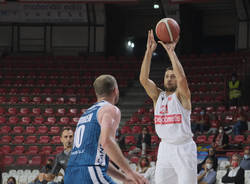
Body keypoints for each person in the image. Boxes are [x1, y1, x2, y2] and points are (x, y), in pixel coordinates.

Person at [64, 75, 148, 184]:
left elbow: (99, 159)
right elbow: (107, 142)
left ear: (96, 93)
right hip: (89, 172)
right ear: (115, 90)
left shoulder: (85, 114)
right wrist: (130, 172)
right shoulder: (110, 109)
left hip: (71, 174)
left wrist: (124, 178)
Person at [140, 30, 197, 184]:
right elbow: (144, 79)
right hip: (165, 148)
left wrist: (171, 52)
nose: (170, 79)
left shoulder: (182, 96)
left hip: (184, 149)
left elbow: (182, 78)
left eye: (172, 76)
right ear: (163, 79)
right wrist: (148, 52)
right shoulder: (158, 96)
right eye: (167, 76)